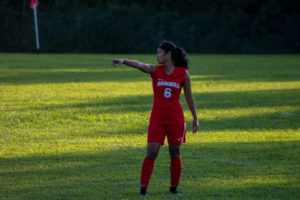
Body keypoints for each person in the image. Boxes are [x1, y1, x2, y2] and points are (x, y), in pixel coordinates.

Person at [111, 40, 199, 196]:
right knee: (151, 153)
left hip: (176, 119)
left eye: (159, 52)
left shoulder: (183, 73)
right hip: (157, 118)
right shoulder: (154, 70)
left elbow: (189, 97)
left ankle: (173, 189)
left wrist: (195, 118)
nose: (157, 55)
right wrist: (124, 61)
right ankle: (143, 189)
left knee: (175, 153)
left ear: (168, 54)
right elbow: (139, 64)